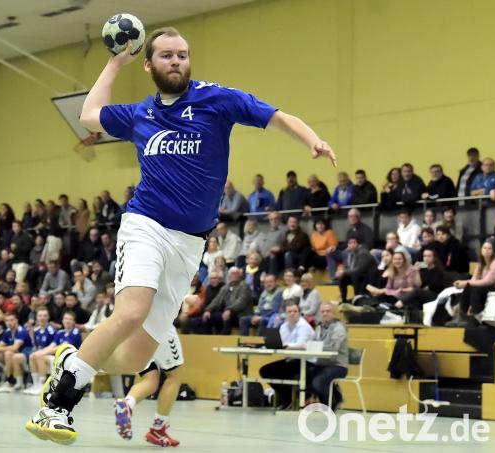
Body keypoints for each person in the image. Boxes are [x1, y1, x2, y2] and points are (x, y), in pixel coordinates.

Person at [26, 26, 336, 444]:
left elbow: (277, 116)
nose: (177, 61)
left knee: (134, 358)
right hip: (145, 225)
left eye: (183, 54)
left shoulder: (217, 99)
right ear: (150, 64)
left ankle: (70, 359)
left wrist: (311, 139)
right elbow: (88, 115)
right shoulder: (139, 114)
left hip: (190, 243)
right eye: (168, 55)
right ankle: (58, 405)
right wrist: (117, 62)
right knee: (131, 311)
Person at [113, 326, 186, 447]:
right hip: (159, 326)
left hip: (133, 331)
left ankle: (128, 403)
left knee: (151, 380)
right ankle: (158, 426)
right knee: (175, 375)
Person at [258, 302, 314, 410]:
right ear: (285, 313)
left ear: (299, 313)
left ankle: (287, 399)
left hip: (306, 361)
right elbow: (281, 345)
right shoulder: (283, 327)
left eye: (295, 311)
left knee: (282, 372)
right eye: (289, 311)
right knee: (265, 371)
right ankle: (286, 398)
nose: (292, 314)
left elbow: (300, 345)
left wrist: (287, 346)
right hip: (291, 360)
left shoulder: (304, 326)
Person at [449, 240, 495, 326]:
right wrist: (466, 283)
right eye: (484, 248)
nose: (486, 250)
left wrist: (466, 282)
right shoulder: (481, 263)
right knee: (469, 286)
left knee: (475, 288)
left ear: (494, 251)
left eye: (489, 248)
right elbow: (474, 279)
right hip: (485, 288)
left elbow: (488, 281)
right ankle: (461, 316)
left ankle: (475, 318)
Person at [305, 302, 348, 408]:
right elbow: (312, 343)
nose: (325, 314)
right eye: (322, 311)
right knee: (304, 375)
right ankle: (334, 396)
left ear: (334, 313)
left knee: (318, 382)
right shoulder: (319, 327)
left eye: (328, 311)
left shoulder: (339, 328)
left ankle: (332, 403)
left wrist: (312, 346)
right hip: (322, 364)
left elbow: (333, 348)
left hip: (337, 365)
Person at [335, 236, 375, 303]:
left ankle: (358, 299)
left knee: (354, 275)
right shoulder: (349, 253)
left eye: (354, 243)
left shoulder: (363, 252)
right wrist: (341, 271)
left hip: (368, 278)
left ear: (359, 244)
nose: (352, 245)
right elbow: (349, 268)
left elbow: (359, 270)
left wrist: (344, 272)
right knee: (343, 278)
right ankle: (343, 300)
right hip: (358, 277)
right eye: (350, 243)